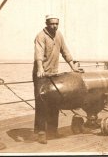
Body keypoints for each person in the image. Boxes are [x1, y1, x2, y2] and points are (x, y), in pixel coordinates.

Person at [33, 15, 81, 144]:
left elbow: (65, 51)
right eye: (52, 24)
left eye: (56, 24)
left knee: (55, 102)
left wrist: (73, 66)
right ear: (46, 24)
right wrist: (40, 69)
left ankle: (53, 131)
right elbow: (38, 55)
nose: (54, 26)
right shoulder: (40, 36)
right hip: (41, 75)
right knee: (42, 103)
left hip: (54, 74)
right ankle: (41, 133)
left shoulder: (58, 35)